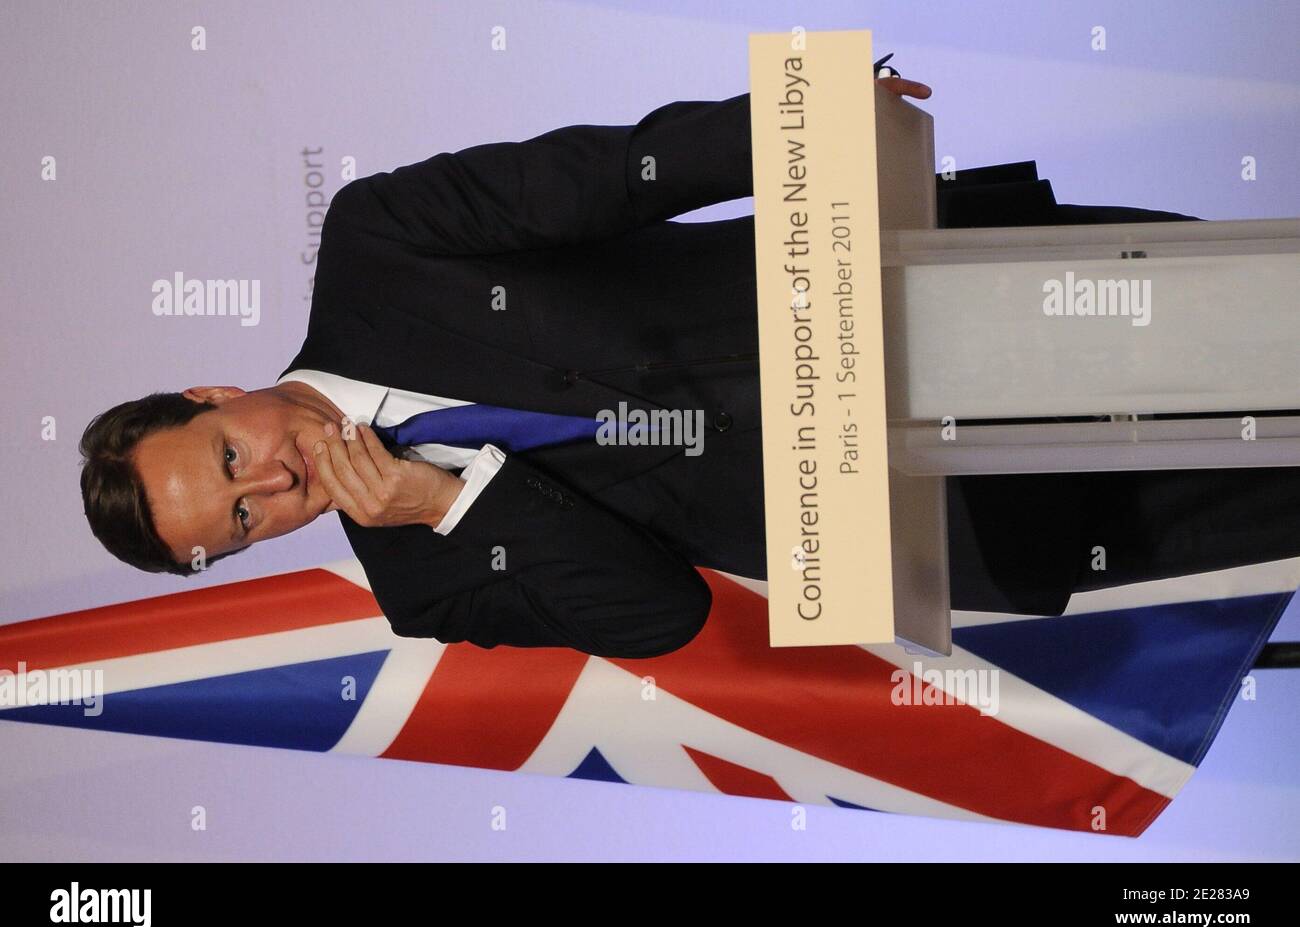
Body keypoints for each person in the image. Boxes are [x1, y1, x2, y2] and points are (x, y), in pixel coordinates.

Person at [79, 75, 1299, 657]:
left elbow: (598, 174)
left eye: (231, 457)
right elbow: (661, 614)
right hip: (967, 516)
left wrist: (795, 120)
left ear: (205, 393)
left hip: (937, 303)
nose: (276, 485)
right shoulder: (423, 584)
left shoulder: (377, 247)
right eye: (242, 522)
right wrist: (453, 504)